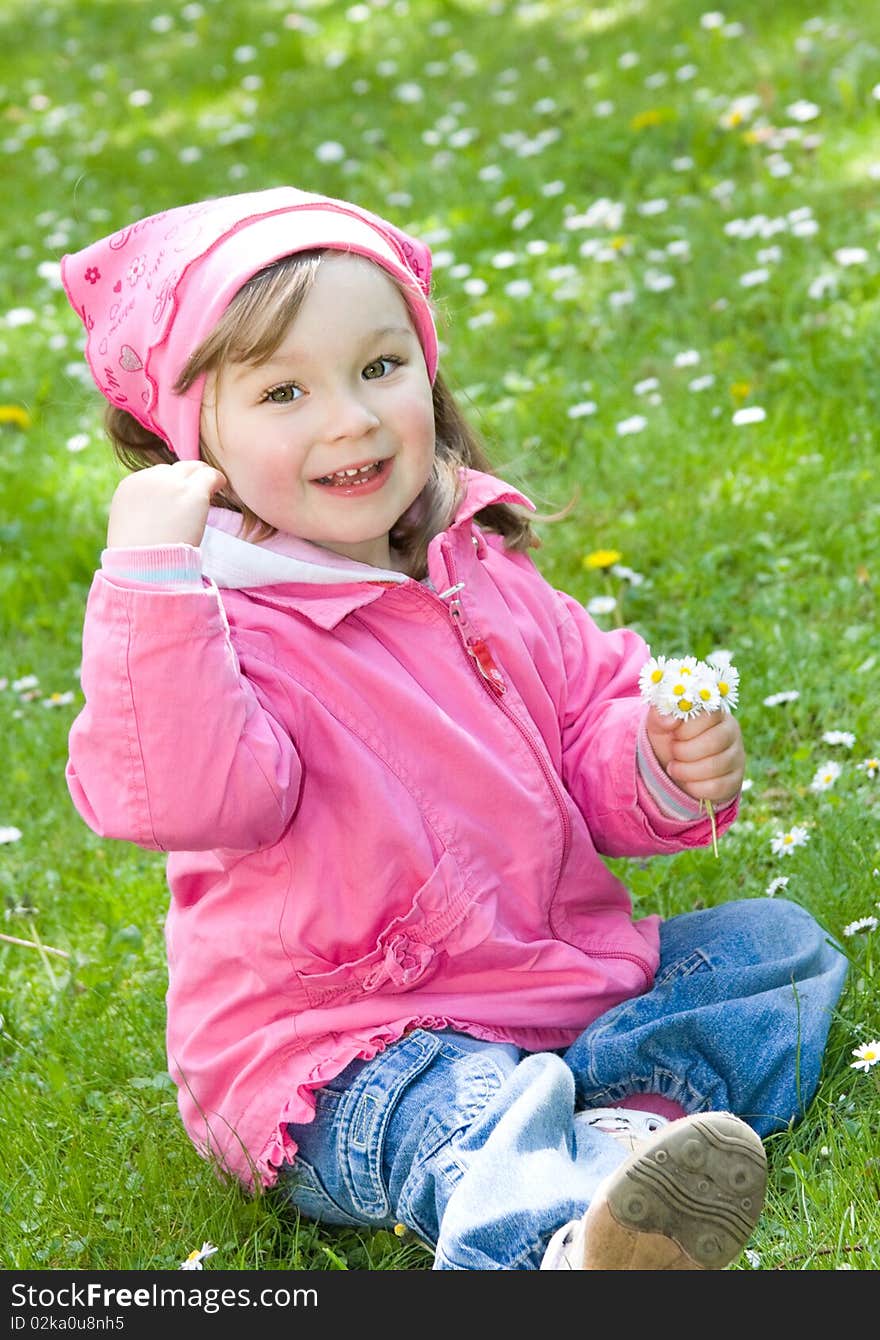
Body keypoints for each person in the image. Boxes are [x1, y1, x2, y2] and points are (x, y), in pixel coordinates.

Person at [60, 186, 848, 1272]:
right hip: (346, 1047)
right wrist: (149, 580)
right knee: (465, 1105)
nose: (350, 418)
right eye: (284, 391)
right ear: (198, 445)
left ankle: (618, 1135)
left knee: (776, 947)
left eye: (380, 367)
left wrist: (655, 759)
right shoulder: (215, 621)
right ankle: (555, 1248)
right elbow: (188, 794)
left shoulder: (472, 562)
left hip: (548, 985)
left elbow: (586, 716)